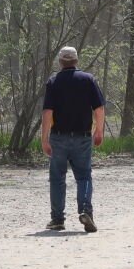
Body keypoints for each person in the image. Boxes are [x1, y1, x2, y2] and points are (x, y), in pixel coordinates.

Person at [41, 46, 105, 232]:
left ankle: (57, 219)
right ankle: (85, 211)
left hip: (59, 137)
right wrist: (99, 130)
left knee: (57, 178)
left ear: (60, 61)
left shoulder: (53, 81)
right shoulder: (88, 80)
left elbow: (47, 112)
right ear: (76, 60)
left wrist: (44, 138)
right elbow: (99, 108)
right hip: (82, 136)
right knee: (84, 176)